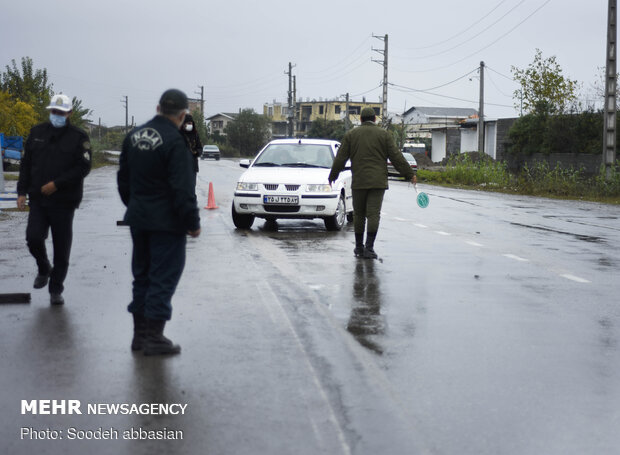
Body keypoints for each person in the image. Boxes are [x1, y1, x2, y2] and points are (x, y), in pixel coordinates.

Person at [117, 89, 201, 356]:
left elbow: (123, 180)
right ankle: (154, 336)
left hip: (139, 219)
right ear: (183, 114)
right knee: (162, 277)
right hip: (167, 224)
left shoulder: (133, 137)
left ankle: (139, 337)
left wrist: (136, 206)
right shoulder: (176, 142)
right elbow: (183, 188)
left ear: (158, 108)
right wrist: (192, 221)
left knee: (141, 276)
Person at [17, 94, 92, 305]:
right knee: (33, 237)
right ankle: (43, 267)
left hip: (64, 201)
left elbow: (83, 167)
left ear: (69, 113)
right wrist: (21, 192)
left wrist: (57, 184)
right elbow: (26, 164)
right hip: (39, 199)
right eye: (54, 112)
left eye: (61, 113)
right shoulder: (37, 133)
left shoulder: (78, 137)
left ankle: (56, 289)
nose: (57, 116)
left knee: (62, 248)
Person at [328, 107, 416, 259]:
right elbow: (396, 157)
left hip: (359, 181)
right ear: (375, 119)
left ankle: (358, 247)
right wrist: (409, 174)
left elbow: (340, 158)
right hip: (377, 182)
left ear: (361, 119)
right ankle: (369, 248)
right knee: (373, 214)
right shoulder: (384, 135)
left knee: (359, 214)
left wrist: (333, 176)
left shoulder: (351, 135)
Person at [180, 113, 202, 178]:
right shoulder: (179, 134)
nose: (190, 125)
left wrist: (196, 152)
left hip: (193, 166)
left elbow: (200, 147)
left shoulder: (195, 134)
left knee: (191, 186)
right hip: (181, 166)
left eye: (191, 123)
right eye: (188, 123)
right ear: (184, 124)